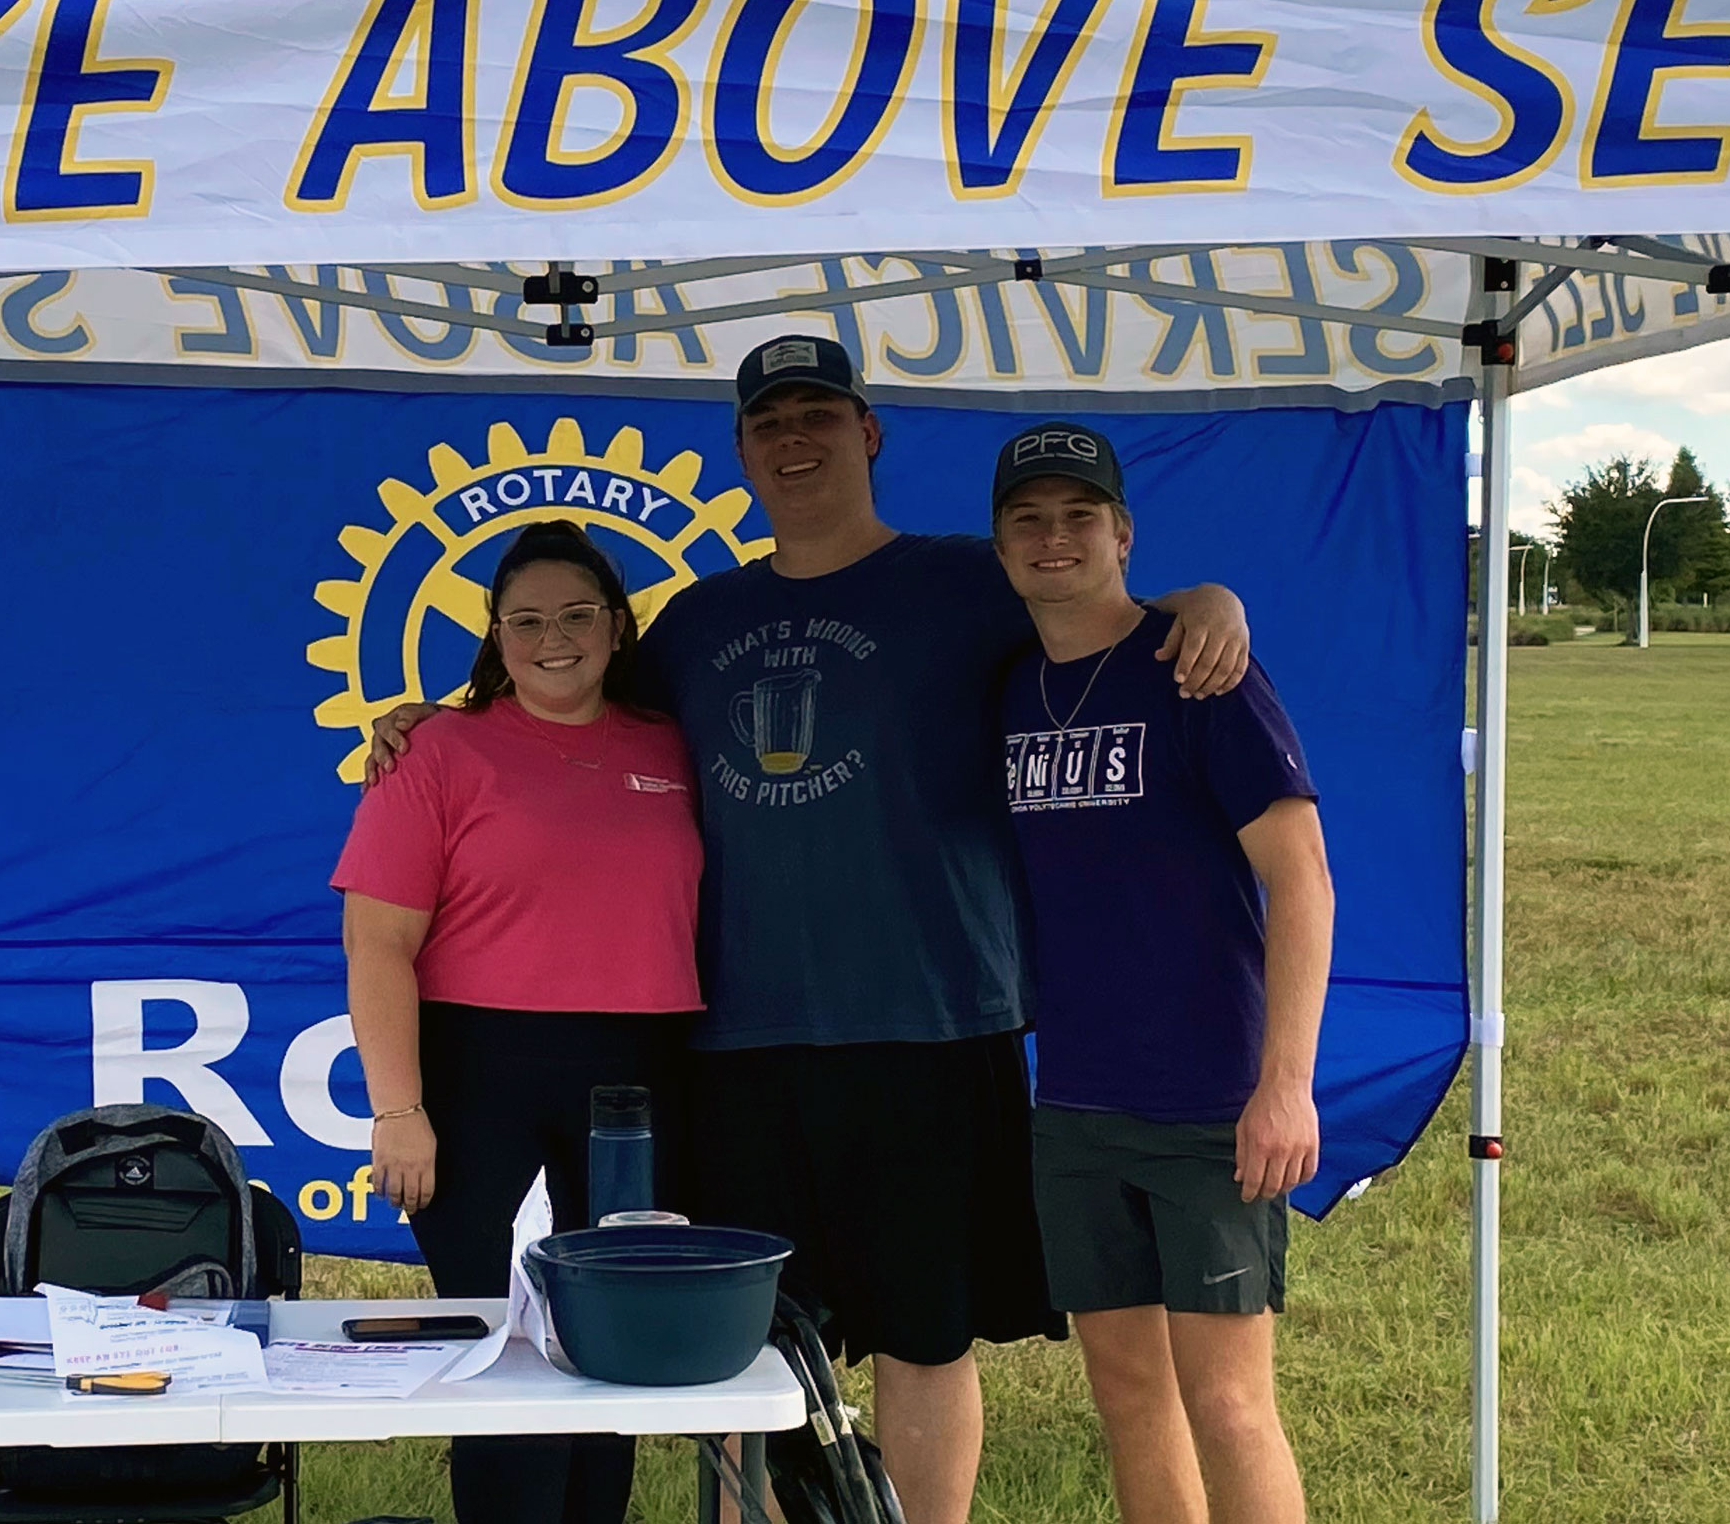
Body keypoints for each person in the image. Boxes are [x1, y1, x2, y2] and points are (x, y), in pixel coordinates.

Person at [372, 336, 1250, 1524]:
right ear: (739, 449)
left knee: (925, 1334)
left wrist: (1209, 599)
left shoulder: (965, 580)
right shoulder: (695, 620)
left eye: (818, 417)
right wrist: (431, 719)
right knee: (743, 1339)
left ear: (869, 431)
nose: (794, 440)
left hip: (934, 1019)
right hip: (736, 1038)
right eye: (769, 421)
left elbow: (1098, 608)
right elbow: (564, 716)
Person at [989, 420, 1332, 1524]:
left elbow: (1304, 880)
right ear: (999, 548)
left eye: (1078, 517)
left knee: (1228, 1401)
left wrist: (1283, 1084)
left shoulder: (1201, 672)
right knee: (1127, 1392)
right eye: (1029, 521)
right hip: (1075, 1099)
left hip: (1207, 1103)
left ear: (1122, 533)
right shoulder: (1005, 690)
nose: (1054, 540)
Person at [332, 520, 703, 1524]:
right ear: (494, 636)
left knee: (606, 1362)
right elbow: (376, 945)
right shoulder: (437, 751)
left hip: (643, 1082)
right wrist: (397, 1110)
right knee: (502, 1371)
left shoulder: (676, 742)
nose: (554, 638)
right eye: (525, 620)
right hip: (476, 1081)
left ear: (618, 627)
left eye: (577, 614)